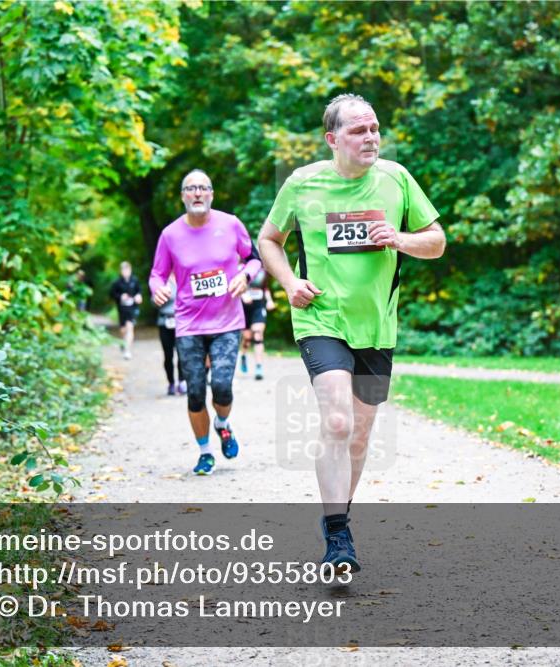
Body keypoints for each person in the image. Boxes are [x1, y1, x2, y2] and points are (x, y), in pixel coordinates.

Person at [258, 94, 445, 572]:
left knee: (359, 437)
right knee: (337, 422)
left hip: (377, 326)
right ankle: (338, 537)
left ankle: (337, 518)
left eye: (375, 128)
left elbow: (437, 242)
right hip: (320, 319)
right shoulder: (302, 184)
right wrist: (289, 282)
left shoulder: (397, 179)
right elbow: (269, 240)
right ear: (332, 139)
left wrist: (400, 239)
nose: (371, 138)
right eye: (359, 131)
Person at [149, 169, 262, 476]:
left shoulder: (230, 224)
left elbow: (254, 258)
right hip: (188, 325)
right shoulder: (170, 235)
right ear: (183, 195)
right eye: (191, 188)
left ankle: (223, 424)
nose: (197, 193)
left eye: (203, 188)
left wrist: (244, 275)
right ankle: (204, 452)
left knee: (222, 388)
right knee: (196, 392)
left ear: (211, 194)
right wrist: (156, 288)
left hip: (227, 322)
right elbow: (157, 273)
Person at [239, 266, 275, 380]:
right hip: (245, 308)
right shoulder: (240, 268)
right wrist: (243, 295)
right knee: (247, 338)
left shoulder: (263, 271)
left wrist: (269, 301)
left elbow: (265, 288)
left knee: (258, 333)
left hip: (259, 307)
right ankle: (243, 355)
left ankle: (259, 367)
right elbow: (235, 285)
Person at [156, 275, 186, 396]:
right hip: (165, 321)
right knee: (168, 355)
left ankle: (182, 381)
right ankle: (171, 383)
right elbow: (154, 302)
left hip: (181, 322)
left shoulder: (183, 275)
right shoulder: (161, 280)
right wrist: (163, 296)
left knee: (182, 353)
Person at [109, 261, 142, 360]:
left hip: (132, 308)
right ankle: (123, 343)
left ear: (130, 270)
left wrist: (138, 296)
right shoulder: (117, 283)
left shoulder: (135, 280)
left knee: (130, 327)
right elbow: (112, 294)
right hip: (122, 309)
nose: (125, 271)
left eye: (127, 269)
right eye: (123, 269)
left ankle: (127, 350)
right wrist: (120, 297)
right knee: (123, 330)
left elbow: (139, 291)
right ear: (121, 271)